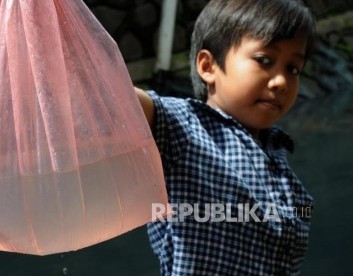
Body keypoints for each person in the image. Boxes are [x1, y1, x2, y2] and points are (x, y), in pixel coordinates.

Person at [135, 0, 316, 275]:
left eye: (292, 69)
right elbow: (117, 99)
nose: (281, 81)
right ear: (208, 66)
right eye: (264, 60)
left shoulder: (278, 158)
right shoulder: (184, 129)